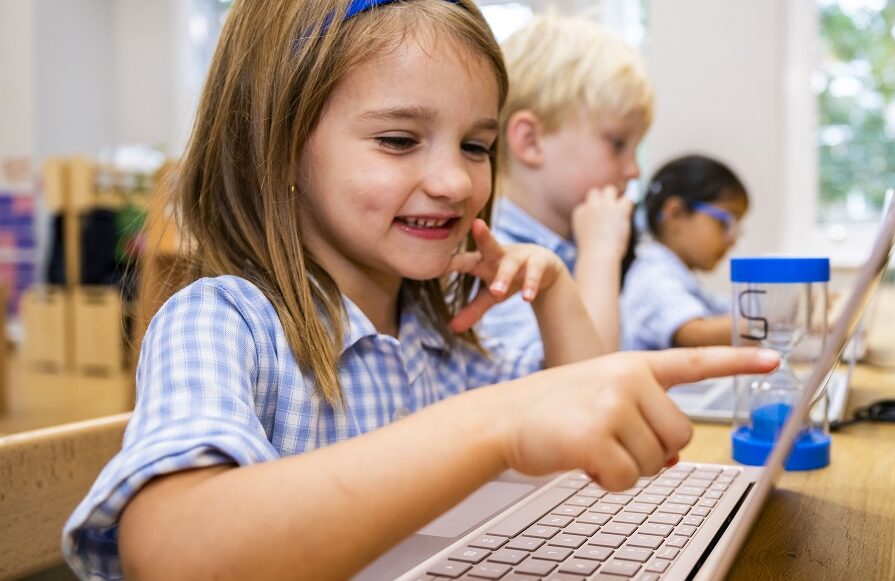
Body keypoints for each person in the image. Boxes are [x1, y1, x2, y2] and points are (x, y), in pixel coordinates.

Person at [60, 2, 776, 579]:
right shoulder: (224, 322)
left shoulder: (451, 336)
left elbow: (573, 464)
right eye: (400, 141)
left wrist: (556, 290)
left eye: (475, 145)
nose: (457, 182)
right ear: (274, 146)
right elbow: (172, 553)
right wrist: (491, 423)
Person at [479, 14, 653, 359]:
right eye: (618, 143)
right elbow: (591, 388)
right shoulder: (493, 255)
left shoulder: (574, 243)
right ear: (530, 140)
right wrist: (600, 254)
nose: (634, 170)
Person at [622, 154, 750, 350]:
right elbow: (695, 333)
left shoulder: (677, 275)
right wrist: (774, 324)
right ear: (676, 214)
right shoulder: (653, 276)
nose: (732, 239)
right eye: (725, 222)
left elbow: (721, 308)